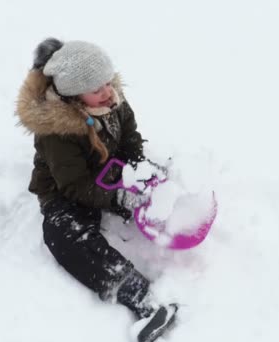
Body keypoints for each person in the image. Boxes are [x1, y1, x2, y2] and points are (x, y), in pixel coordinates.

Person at [16, 38, 177, 342]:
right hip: (67, 194)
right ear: (74, 95)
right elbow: (74, 185)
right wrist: (119, 198)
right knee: (64, 237)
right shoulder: (57, 132)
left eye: (107, 81)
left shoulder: (111, 99)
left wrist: (137, 170)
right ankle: (140, 296)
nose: (107, 91)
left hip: (108, 171)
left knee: (155, 180)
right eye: (96, 88)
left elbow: (130, 137)